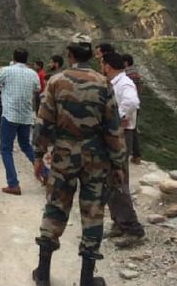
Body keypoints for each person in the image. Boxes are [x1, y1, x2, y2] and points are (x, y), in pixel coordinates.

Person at [32, 33, 126, 286]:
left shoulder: (56, 81)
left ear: (69, 54)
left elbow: (43, 122)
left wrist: (38, 155)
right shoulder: (103, 83)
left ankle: (43, 273)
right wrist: (118, 163)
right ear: (90, 55)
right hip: (96, 158)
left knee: (55, 207)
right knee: (93, 213)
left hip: (63, 155)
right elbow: (113, 128)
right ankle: (86, 278)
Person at [102, 53, 145, 248]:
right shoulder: (115, 82)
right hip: (116, 135)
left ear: (108, 66)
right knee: (111, 179)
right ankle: (119, 222)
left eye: (102, 64)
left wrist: (118, 118)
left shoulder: (124, 83)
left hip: (121, 136)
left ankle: (132, 228)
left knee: (119, 180)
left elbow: (133, 102)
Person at [0, 48, 40, 195]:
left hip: (10, 115)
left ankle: (13, 183)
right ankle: (46, 173)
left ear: (13, 58)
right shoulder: (32, 73)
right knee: (26, 145)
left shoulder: (6, 71)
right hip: (26, 116)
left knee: (5, 149)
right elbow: (37, 88)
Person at [122, 53, 143, 164]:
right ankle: (136, 155)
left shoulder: (128, 75)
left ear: (125, 63)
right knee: (133, 128)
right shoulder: (135, 73)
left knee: (129, 129)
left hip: (130, 105)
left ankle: (130, 154)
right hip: (136, 104)